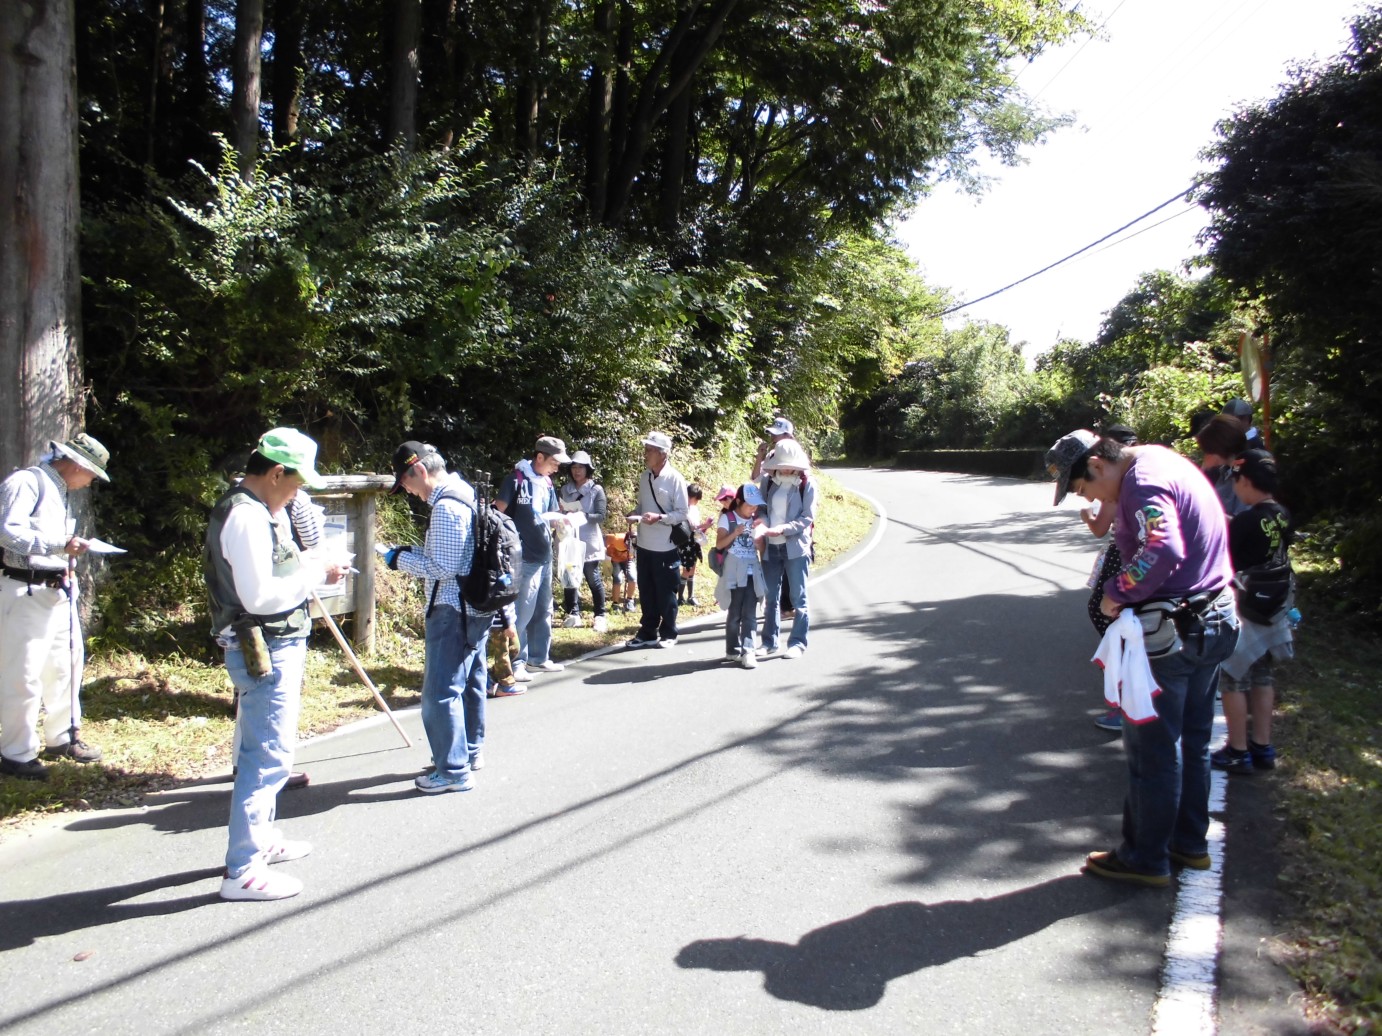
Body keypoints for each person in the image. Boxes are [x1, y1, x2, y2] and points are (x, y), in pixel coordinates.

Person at [1046, 429, 1239, 887]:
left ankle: (1144, 857)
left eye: (1082, 487)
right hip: (1215, 617)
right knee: (1192, 742)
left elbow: (1163, 546)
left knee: (1153, 750)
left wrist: (1117, 592)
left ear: (1096, 465)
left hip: (1174, 629)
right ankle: (1188, 845)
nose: (1089, 497)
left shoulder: (1143, 484)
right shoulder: (1158, 459)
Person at [204, 428, 347, 900]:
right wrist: (314, 572)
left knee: (267, 748)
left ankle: (261, 840)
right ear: (275, 473)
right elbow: (260, 596)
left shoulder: (259, 511)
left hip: (274, 643)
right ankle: (242, 870)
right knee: (266, 759)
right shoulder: (245, 518)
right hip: (264, 646)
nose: (298, 492)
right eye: (296, 482)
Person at [0, 433, 112, 780]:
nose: (90, 481)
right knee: (24, 675)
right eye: (91, 474)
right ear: (76, 465)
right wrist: (59, 543)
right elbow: (6, 530)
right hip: (24, 588)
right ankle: (16, 753)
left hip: (57, 589)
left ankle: (63, 737)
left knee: (66, 666)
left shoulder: (62, 489)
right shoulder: (26, 482)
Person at [384, 440, 491, 793]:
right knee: (471, 681)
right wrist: (411, 551)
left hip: (451, 608)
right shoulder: (466, 492)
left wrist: (397, 560)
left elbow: (443, 567)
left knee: (440, 692)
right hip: (477, 605)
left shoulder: (445, 506)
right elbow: (454, 554)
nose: (409, 493)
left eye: (407, 484)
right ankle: (468, 751)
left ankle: (452, 771)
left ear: (419, 471)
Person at [1212, 449, 1293, 774]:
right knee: (1263, 675)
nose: (1234, 489)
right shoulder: (1283, 514)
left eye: (1236, 482)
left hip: (1244, 606)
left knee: (1233, 677)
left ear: (1245, 481)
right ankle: (1262, 746)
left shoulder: (1246, 519)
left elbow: (1227, 554)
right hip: (1274, 607)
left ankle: (1237, 749)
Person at [495, 435, 571, 679]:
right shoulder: (516, 479)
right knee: (521, 612)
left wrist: (561, 520)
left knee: (543, 610)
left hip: (545, 554)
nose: (557, 467)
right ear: (539, 457)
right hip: (523, 558)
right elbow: (497, 513)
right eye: (554, 462)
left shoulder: (547, 483)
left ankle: (539, 658)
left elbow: (551, 513)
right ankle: (516, 663)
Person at [1081, 424, 1140, 733]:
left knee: (1113, 624)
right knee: (1126, 628)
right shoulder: (1135, 479)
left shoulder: (1118, 485)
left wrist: (1086, 516)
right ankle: (1128, 702)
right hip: (1129, 558)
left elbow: (1100, 528)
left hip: (1121, 557)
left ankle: (1122, 705)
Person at [626, 432, 689, 649]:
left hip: (666, 545)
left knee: (666, 591)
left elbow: (682, 513)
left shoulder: (675, 479)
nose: (646, 453)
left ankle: (669, 632)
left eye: (650, 450)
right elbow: (643, 507)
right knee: (646, 589)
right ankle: (648, 632)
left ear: (663, 454)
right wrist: (634, 514)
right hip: (644, 543)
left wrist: (660, 518)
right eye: (646, 449)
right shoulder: (645, 478)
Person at [757, 438, 817, 660]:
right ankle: (769, 642)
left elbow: (807, 518)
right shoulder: (769, 481)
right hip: (771, 547)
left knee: (798, 598)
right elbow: (761, 508)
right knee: (770, 596)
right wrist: (762, 523)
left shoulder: (806, 484)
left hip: (795, 548)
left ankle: (798, 643)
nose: (783, 468)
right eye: (780, 464)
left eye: (787, 464)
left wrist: (783, 529)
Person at [715, 483, 768, 668]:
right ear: (738, 501)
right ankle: (732, 650)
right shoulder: (727, 518)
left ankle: (749, 651)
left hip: (753, 571)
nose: (753, 509)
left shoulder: (756, 521)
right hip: (734, 573)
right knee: (735, 613)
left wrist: (759, 540)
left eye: (756, 505)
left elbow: (761, 549)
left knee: (750, 614)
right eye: (750, 505)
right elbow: (720, 544)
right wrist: (736, 533)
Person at [558, 450, 609, 632]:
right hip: (570, 539)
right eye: (574, 467)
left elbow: (601, 516)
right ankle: (573, 613)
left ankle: (600, 615)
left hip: (589, 540)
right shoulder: (565, 489)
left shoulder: (596, 490)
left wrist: (582, 515)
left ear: (588, 469)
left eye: (580, 467)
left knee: (592, 577)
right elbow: (560, 511)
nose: (577, 471)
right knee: (569, 576)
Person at [1195, 414, 1249, 517]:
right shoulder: (1224, 472)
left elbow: (1242, 521)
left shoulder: (1244, 476)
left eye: (1208, 451)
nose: (1206, 456)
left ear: (1219, 449)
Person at [677, 484, 709, 607]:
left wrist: (703, 527)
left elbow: (695, 526)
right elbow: (690, 526)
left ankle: (691, 596)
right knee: (686, 569)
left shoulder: (694, 509)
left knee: (692, 569)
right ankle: (680, 597)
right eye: (695, 498)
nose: (695, 502)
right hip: (685, 542)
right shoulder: (683, 508)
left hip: (694, 541)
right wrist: (703, 526)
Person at [606, 524, 636, 614]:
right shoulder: (616, 539)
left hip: (629, 559)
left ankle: (629, 601)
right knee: (617, 579)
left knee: (632, 577)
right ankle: (615, 603)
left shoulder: (636, 541)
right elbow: (605, 541)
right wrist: (607, 560)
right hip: (615, 560)